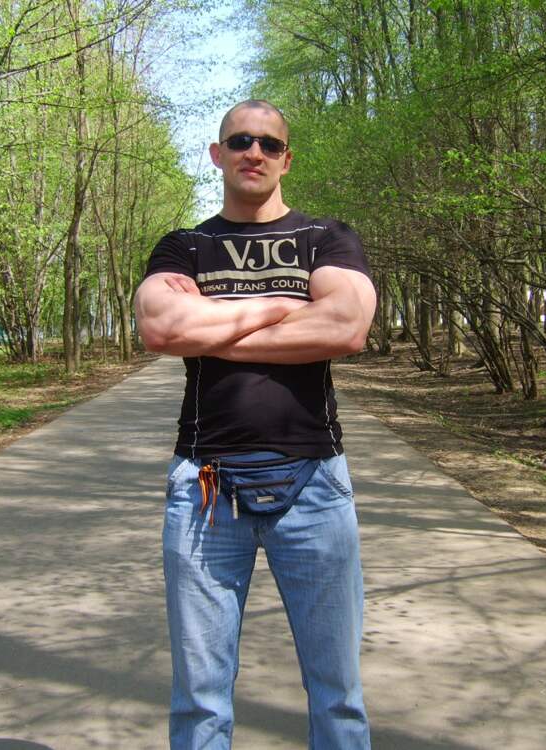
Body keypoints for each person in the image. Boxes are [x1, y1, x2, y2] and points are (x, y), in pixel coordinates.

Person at [134, 99, 376, 749]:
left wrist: (213, 326)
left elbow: (347, 326)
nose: (254, 152)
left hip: (315, 482)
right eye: (240, 140)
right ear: (217, 154)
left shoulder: (326, 238)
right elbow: (161, 327)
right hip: (205, 486)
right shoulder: (185, 246)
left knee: (339, 696)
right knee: (200, 700)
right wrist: (285, 305)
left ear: (286, 160)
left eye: (269, 144)